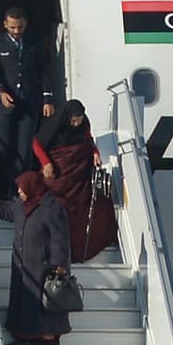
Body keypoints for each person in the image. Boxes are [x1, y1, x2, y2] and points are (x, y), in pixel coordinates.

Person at [0, 172, 72, 345]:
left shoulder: (51, 208)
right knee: (26, 300)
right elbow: (5, 209)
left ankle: (47, 337)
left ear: (32, 187)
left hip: (43, 266)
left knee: (42, 301)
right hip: (24, 264)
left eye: (22, 188)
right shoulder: (21, 205)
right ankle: (26, 336)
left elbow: (59, 238)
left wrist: (60, 265)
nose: (19, 191)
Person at [32, 99, 118, 262]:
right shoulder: (55, 125)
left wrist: (95, 153)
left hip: (78, 173)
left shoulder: (84, 123)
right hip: (60, 169)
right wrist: (46, 163)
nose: (77, 123)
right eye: (74, 120)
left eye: (79, 119)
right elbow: (37, 143)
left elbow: (88, 139)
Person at [0, 6, 53, 196]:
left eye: (20, 28)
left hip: (29, 103)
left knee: (25, 150)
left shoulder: (33, 42)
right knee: (4, 148)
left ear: (25, 25)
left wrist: (47, 98)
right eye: (13, 28)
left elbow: (43, 71)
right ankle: (5, 189)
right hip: (6, 103)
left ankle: (20, 191)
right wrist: (0, 92)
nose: (16, 32)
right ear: (5, 25)